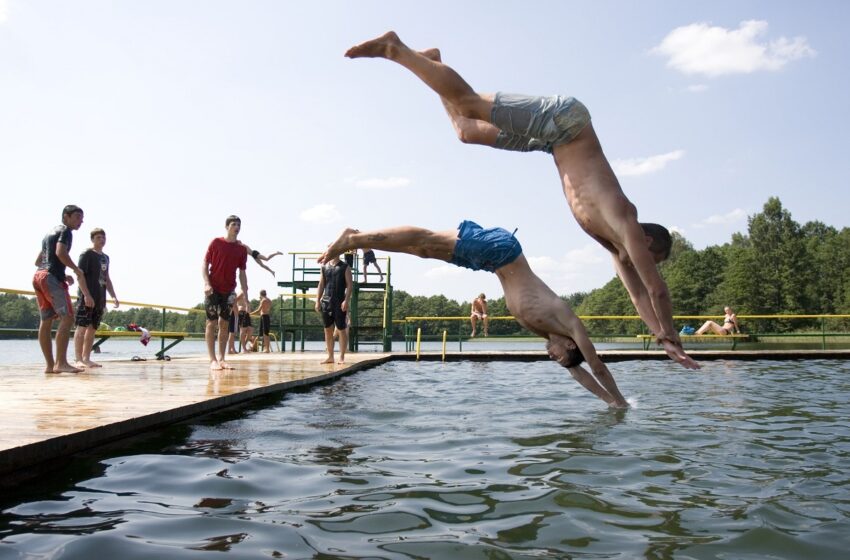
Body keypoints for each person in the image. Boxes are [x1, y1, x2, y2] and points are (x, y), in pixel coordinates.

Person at [345, 32, 699, 370]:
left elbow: (638, 295)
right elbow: (656, 290)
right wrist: (673, 336)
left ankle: (432, 61)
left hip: (552, 142)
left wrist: (661, 337)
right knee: (469, 102)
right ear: (648, 241)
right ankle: (395, 48)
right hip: (566, 122)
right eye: (654, 259)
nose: (647, 265)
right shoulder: (627, 223)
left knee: (466, 130)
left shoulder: (613, 246)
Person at [319, 222, 629, 408]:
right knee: (426, 239)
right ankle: (354, 240)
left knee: (423, 250)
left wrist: (608, 404)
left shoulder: (546, 333)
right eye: (559, 357)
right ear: (572, 347)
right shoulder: (569, 325)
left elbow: (578, 372)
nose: (552, 357)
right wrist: (621, 399)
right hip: (502, 249)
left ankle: (359, 238)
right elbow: (596, 366)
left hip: (490, 261)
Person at [32, 205, 94, 374]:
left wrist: (61, 273)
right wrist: (75, 269)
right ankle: (62, 363)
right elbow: (60, 252)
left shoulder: (49, 234)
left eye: (82, 218)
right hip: (51, 278)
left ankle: (50, 366)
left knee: (46, 321)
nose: (80, 221)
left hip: (39, 276)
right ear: (65, 216)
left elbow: (39, 260)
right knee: (67, 317)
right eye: (77, 217)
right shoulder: (66, 231)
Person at [202, 215, 249, 370]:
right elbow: (204, 264)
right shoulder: (216, 242)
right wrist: (207, 284)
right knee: (211, 322)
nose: (237, 227)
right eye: (234, 224)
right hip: (213, 289)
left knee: (224, 324)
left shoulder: (241, 249)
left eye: (239, 224)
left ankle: (222, 358)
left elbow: (242, 272)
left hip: (229, 290)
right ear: (227, 226)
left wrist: (245, 294)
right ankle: (212, 360)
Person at [73, 228, 119, 368]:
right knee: (82, 327)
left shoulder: (105, 257)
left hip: (100, 297)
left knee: (93, 328)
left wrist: (113, 296)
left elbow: (107, 278)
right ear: (92, 239)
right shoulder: (87, 254)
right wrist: (86, 295)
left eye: (103, 237)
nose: (102, 240)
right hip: (87, 296)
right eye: (98, 237)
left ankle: (87, 358)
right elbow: (79, 275)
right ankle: (78, 358)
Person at [315, 252, 353, 365]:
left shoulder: (345, 267)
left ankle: (341, 357)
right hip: (326, 301)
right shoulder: (324, 266)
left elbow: (350, 285)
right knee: (327, 329)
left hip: (339, 301)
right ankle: (330, 356)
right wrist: (317, 300)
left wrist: (346, 300)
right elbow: (321, 285)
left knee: (341, 329)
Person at [250, 289, 273, 353]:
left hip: (264, 316)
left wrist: (250, 314)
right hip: (267, 316)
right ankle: (266, 348)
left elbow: (258, 310)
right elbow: (268, 308)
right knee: (265, 333)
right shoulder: (269, 300)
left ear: (260, 294)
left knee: (265, 334)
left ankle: (267, 349)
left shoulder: (263, 300)